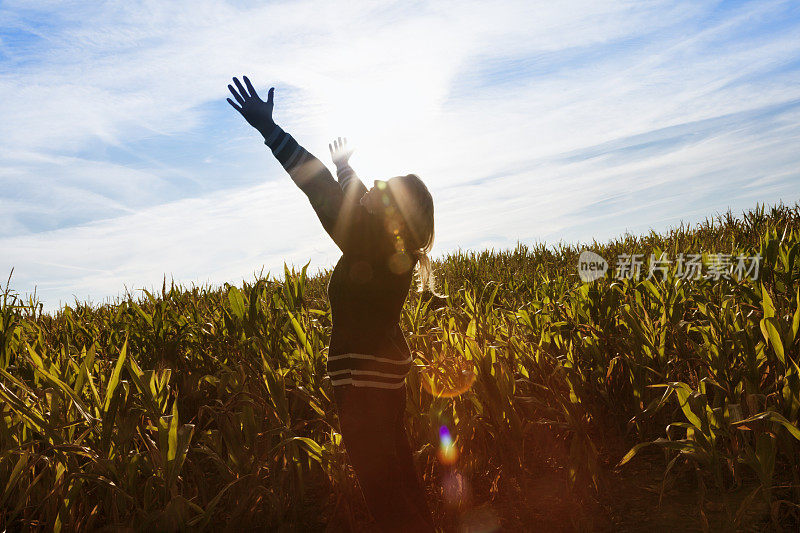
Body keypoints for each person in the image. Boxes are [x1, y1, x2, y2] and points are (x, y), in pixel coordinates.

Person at [227, 76, 437, 532]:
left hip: (363, 384)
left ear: (392, 214)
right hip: (383, 380)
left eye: (388, 187)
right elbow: (349, 198)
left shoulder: (369, 243)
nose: (378, 181)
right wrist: (348, 167)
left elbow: (321, 189)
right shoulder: (387, 247)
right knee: (401, 482)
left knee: (386, 494)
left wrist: (271, 131)